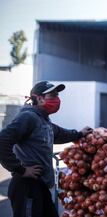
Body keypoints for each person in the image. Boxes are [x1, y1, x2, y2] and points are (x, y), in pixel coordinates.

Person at [0, 81, 93, 217]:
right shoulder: (28, 117)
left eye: (57, 95)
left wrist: (79, 134)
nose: (57, 99)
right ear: (39, 98)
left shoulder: (43, 120)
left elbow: (60, 133)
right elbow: (2, 140)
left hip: (40, 185)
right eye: (52, 95)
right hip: (27, 186)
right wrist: (21, 169)